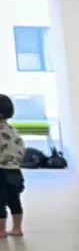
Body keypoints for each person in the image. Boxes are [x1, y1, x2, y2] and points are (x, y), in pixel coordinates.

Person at [0, 94, 24, 237]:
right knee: (14, 200)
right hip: (14, 170)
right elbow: (21, 149)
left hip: (1, 171)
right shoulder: (13, 130)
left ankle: (1, 230)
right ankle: (17, 228)